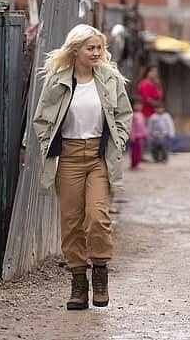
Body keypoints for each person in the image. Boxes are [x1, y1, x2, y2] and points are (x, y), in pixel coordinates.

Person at [33, 23, 132, 310]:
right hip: (69, 156)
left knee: (97, 216)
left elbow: (124, 115)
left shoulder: (110, 79)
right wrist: (45, 145)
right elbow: (41, 119)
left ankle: (100, 272)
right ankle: (78, 283)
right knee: (72, 222)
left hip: (99, 157)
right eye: (91, 48)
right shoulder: (57, 81)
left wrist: (120, 142)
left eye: (99, 48)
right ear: (75, 50)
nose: (97, 53)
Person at [129, 97, 148, 170]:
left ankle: (137, 164)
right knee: (135, 151)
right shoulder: (132, 115)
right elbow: (131, 127)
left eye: (140, 105)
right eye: (136, 105)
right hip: (135, 137)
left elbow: (143, 126)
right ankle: (133, 164)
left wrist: (145, 134)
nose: (139, 106)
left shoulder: (141, 114)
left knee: (140, 151)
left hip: (141, 136)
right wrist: (132, 136)